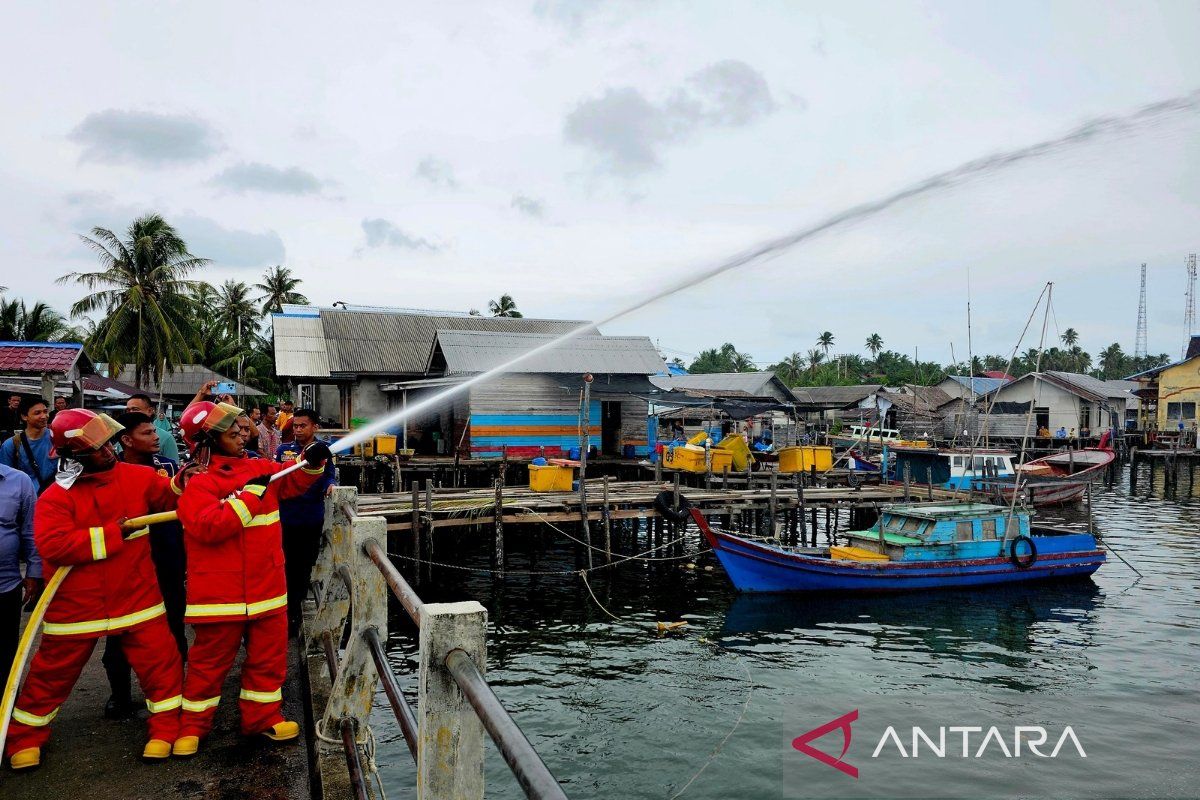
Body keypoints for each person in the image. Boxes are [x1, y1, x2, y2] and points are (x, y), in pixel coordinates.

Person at [4, 409, 188, 770]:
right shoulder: (56, 496)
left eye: (108, 445)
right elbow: (53, 544)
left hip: (137, 597)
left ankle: (166, 729)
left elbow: (169, 498)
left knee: (162, 668)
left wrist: (185, 482)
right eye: (99, 449)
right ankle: (24, 738)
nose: (108, 452)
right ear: (74, 456)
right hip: (76, 607)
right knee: (48, 678)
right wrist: (111, 535)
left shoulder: (139, 477)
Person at [173, 401, 329, 756]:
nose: (242, 436)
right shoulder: (198, 482)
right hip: (218, 597)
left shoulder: (260, 468)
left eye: (242, 430)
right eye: (232, 433)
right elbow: (208, 527)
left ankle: (263, 717)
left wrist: (313, 462)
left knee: (269, 660)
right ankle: (193, 726)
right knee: (207, 666)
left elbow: (292, 483)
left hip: (268, 589)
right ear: (206, 440)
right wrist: (250, 496)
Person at [101, 412, 188, 719]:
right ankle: (120, 696)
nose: (156, 437)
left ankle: (174, 690)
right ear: (126, 440)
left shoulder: (168, 467)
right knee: (121, 630)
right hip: (128, 562)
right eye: (148, 432)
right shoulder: (112, 472)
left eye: (155, 431)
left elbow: (181, 502)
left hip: (167, 557)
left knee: (174, 623)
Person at [273, 409, 337, 629]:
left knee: (303, 568)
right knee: (284, 567)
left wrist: (331, 485)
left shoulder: (322, 451)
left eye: (303, 426)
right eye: (295, 426)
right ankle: (287, 614)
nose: (298, 430)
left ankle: (295, 613)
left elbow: (329, 475)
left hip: (310, 517)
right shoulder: (283, 450)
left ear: (314, 427)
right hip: (285, 519)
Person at [0, 462, 40, 681]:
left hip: (6, 586)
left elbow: (30, 530)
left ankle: (7, 707)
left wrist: (34, 572)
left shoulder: (19, 481)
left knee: (6, 654)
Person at [0, 397, 56, 492]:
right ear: (24, 417)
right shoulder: (11, 445)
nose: (44, 416)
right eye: (37, 413)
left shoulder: (57, 438)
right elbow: (5, 479)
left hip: (55, 498)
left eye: (45, 411)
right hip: (27, 498)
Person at [125, 393, 181, 463]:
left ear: (150, 411)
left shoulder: (166, 438)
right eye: (128, 410)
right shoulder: (124, 435)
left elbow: (173, 469)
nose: (131, 413)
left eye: (135, 409)